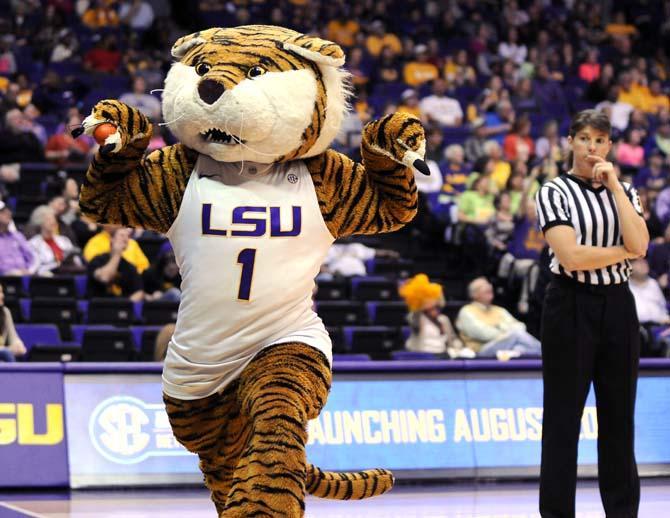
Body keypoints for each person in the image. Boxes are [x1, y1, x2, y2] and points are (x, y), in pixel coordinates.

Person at [535, 109, 646, 516]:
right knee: (563, 419)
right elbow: (571, 255)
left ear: (610, 146)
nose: (592, 148)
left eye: (600, 140)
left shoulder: (627, 192)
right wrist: (623, 252)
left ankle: (622, 511)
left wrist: (615, 186)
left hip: (618, 306)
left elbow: (642, 241)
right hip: (569, 304)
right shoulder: (554, 191)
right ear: (570, 142)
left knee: (620, 419)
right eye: (584, 139)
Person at [455, 277, 542, 358]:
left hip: (505, 346)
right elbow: (483, 334)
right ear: (474, 294)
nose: (488, 286)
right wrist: (506, 332)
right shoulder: (467, 311)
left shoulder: (499, 310)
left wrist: (501, 329)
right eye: (482, 286)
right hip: (481, 350)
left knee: (520, 349)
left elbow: (521, 327)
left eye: (488, 284)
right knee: (516, 335)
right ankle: (546, 353)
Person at [399, 274, 472, 358]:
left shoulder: (444, 319)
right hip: (423, 355)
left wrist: (459, 347)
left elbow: (452, 338)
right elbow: (414, 320)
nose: (435, 310)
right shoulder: (415, 317)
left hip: (443, 354)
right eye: (431, 307)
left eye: (437, 307)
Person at [87, 227, 145, 302]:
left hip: (121, 309)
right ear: (112, 239)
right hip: (99, 306)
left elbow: (139, 292)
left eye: (127, 236)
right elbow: (105, 278)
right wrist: (117, 254)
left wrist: (125, 304)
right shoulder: (98, 260)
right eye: (121, 235)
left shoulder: (129, 266)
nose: (125, 238)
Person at [28, 206, 83, 276]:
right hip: (48, 276)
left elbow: (76, 260)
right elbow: (34, 266)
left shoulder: (64, 240)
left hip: (68, 272)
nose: (53, 222)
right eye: (48, 219)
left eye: (54, 219)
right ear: (40, 222)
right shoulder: (33, 244)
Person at [0, 201, 36, 276]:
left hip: (24, 274)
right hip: (4, 278)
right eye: (3, 212)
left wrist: (29, 269)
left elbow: (31, 256)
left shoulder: (18, 236)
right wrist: (8, 272)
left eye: (8, 211)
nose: (8, 213)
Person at [0, 284, 26, 362]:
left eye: (2, 292)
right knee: (6, 353)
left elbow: (13, 337)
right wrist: (9, 349)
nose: (2, 295)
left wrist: (18, 344)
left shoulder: (5, 312)